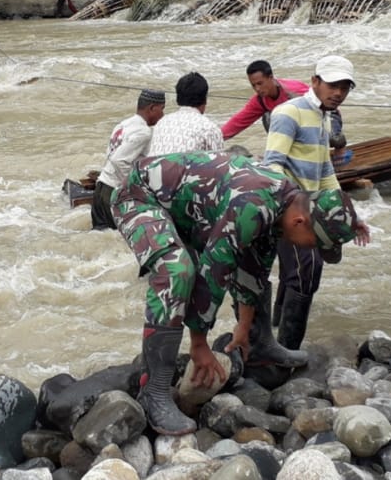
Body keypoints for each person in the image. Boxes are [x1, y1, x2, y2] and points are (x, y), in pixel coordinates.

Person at [112, 150, 361, 434]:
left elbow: (254, 267)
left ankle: (258, 343)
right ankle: (154, 392)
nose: (310, 249)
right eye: (314, 243)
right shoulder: (253, 206)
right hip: (140, 196)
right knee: (177, 271)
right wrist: (199, 344)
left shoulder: (285, 202)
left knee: (254, 256)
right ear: (300, 222)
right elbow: (214, 271)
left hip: (190, 207)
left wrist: (243, 328)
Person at [262, 55, 356, 352]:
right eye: (332, 85)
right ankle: (286, 350)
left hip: (313, 212)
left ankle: (277, 336)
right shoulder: (289, 112)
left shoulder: (323, 115)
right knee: (304, 274)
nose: (338, 92)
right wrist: (295, 205)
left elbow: (325, 168)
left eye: (344, 87)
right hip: (292, 213)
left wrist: (346, 210)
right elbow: (273, 165)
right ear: (315, 81)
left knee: (303, 274)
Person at [90, 89, 166, 230]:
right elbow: (119, 160)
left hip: (100, 189)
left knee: (101, 238)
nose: (163, 115)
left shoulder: (123, 124)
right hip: (113, 193)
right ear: (152, 108)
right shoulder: (144, 132)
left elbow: (111, 155)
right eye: (162, 109)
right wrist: (134, 188)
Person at [221, 60, 309, 141]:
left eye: (260, 83)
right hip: (287, 132)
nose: (257, 89)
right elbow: (237, 122)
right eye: (253, 85)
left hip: (309, 129)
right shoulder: (260, 100)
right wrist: (215, 139)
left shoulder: (295, 91)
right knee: (267, 116)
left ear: (270, 78)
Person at [147, 72, 224, 156]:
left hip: (153, 168)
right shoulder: (209, 128)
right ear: (205, 99)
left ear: (178, 98)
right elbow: (220, 164)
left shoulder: (162, 122)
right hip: (186, 169)